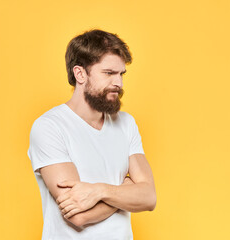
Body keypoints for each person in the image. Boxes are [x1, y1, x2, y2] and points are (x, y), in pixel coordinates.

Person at [27, 29, 157, 240]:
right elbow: (78, 216)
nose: (119, 83)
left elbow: (149, 198)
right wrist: (125, 190)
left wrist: (99, 191)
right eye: (109, 73)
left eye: (121, 74)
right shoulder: (50, 127)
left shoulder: (126, 123)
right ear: (80, 74)